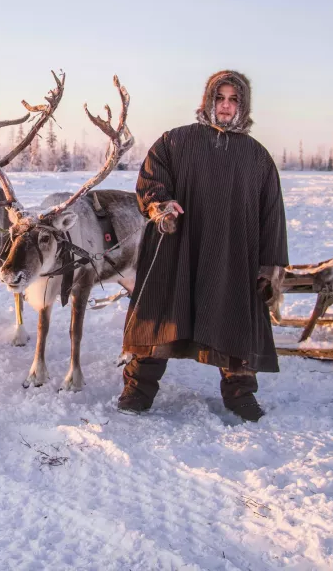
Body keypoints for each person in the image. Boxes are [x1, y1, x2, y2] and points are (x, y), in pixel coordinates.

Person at [118, 70, 288, 422]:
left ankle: (240, 397)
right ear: (208, 101)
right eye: (220, 98)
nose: (225, 106)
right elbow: (150, 179)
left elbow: (272, 213)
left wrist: (271, 266)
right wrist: (161, 205)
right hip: (177, 248)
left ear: (243, 106)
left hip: (233, 255)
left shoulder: (257, 157)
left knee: (235, 319)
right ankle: (137, 392)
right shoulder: (176, 142)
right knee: (162, 317)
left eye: (233, 100)